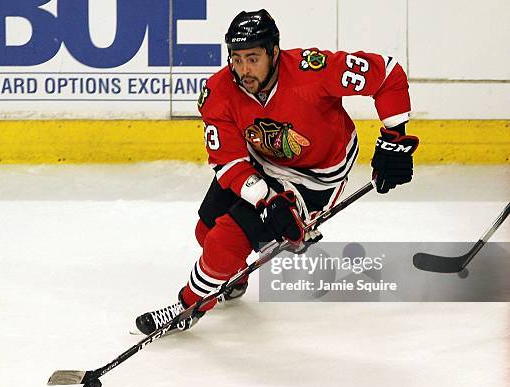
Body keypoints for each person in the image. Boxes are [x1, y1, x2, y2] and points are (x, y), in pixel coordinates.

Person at [135, 9, 419, 335]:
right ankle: (233, 278)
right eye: (237, 59)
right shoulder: (218, 92)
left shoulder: (312, 70)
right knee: (206, 232)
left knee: (226, 241)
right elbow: (228, 161)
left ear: (273, 51)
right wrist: (266, 199)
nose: (244, 70)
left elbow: (387, 75)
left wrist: (394, 139)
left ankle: (188, 306)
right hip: (261, 164)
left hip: (313, 178)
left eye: (253, 58)